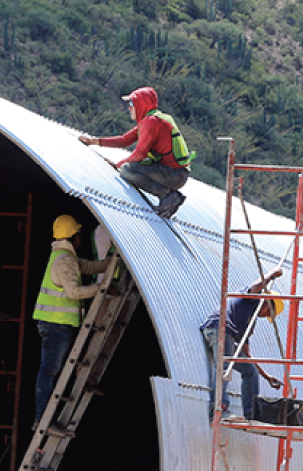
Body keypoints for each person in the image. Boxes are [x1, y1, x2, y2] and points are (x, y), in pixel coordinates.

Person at [32, 214, 109, 436]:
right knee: (49, 371)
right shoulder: (65, 260)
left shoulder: (63, 256)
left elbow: (85, 266)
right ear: (73, 236)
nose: (81, 238)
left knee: (49, 371)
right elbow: (73, 292)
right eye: (79, 233)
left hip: (56, 324)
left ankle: (43, 418)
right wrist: (101, 288)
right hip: (57, 325)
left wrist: (108, 263)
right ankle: (43, 419)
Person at [79, 87, 192, 219]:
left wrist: (118, 164)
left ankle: (167, 196)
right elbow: (124, 140)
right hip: (176, 173)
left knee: (127, 170)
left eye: (132, 103)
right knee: (127, 167)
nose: (129, 108)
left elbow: (140, 154)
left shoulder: (151, 122)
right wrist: (94, 141)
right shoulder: (151, 120)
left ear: (141, 104)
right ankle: (169, 197)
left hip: (173, 174)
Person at [200, 269, 284, 422]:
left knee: (250, 369)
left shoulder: (249, 323)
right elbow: (256, 285)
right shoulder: (252, 299)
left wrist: (267, 377)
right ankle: (219, 408)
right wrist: (271, 275)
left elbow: (247, 355)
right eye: (268, 313)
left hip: (228, 337)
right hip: (219, 328)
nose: (265, 316)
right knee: (224, 365)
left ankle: (252, 414)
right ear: (267, 302)